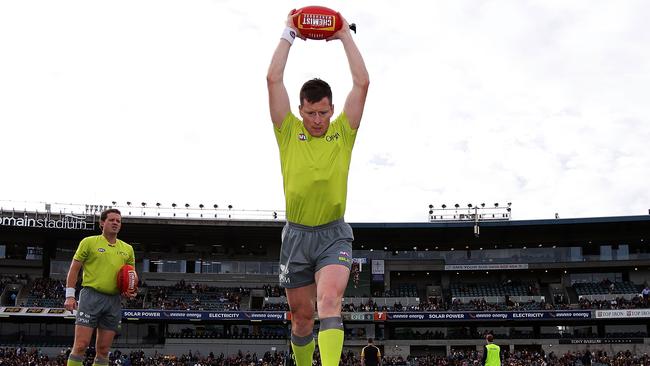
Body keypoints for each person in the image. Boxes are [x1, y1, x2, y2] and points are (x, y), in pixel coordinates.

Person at [266, 9, 369, 366]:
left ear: (331, 109)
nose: (317, 121)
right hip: (295, 236)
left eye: (323, 113)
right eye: (311, 114)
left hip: (332, 235)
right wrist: (288, 33)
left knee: (329, 303)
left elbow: (362, 84)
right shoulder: (287, 132)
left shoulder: (343, 132)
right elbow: (272, 79)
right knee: (301, 318)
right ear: (300, 110)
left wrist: (343, 35)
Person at [64, 209, 136, 366]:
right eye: (112, 220)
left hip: (114, 300)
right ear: (102, 223)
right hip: (91, 296)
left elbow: (131, 276)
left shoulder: (128, 249)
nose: (116, 223)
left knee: (103, 350)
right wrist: (70, 295)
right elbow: (74, 269)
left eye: (118, 221)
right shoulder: (88, 242)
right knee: (81, 346)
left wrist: (131, 290)